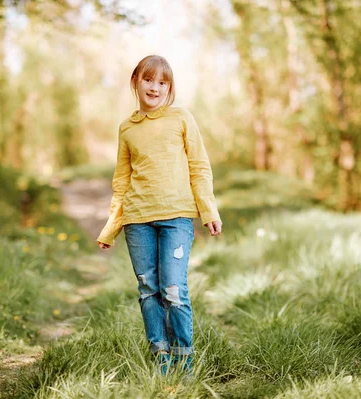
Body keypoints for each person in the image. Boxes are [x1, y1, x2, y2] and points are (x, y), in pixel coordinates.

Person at [96, 55, 222, 375]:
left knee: (174, 289)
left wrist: (208, 209)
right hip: (137, 220)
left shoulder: (181, 119)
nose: (155, 87)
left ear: (170, 87)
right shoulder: (127, 129)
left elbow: (199, 166)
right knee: (148, 289)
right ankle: (160, 359)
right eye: (149, 80)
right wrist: (111, 228)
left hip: (177, 218)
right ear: (136, 81)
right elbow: (122, 181)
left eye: (162, 82)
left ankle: (184, 360)